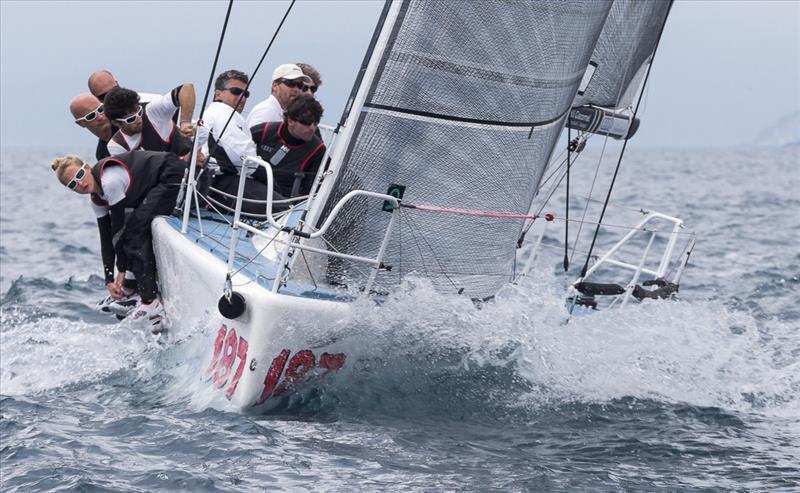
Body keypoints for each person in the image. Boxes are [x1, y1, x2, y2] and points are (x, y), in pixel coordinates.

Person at [51, 151, 189, 332]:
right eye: (73, 184)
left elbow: (119, 230)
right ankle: (131, 292)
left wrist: (121, 271)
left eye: (79, 175)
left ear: (86, 167)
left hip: (170, 173)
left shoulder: (110, 181)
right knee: (129, 235)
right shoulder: (96, 201)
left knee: (133, 232)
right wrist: (109, 279)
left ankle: (149, 301)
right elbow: (106, 239)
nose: (80, 183)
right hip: (154, 185)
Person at [201, 70, 270, 214]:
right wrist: (270, 179)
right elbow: (244, 160)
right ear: (218, 94)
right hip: (223, 183)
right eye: (236, 92)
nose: (242, 98)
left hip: (213, 184)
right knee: (285, 210)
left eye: (246, 94)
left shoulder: (212, 113)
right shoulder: (223, 114)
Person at [250, 94, 326, 199]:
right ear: (290, 121)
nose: (312, 128)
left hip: (284, 204)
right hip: (252, 186)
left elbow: (310, 193)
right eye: (307, 122)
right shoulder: (263, 131)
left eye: (316, 122)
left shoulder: (318, 150)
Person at [103, 86, 195, 157]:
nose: (139, 119)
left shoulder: (152, 111)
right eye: (131, 119)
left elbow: (186, 88)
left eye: (139, 112)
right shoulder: (117, 146)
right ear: (116, 123)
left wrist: (185, 122)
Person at [245, 64, 312, 128]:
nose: (296, 89)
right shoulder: (266, 111)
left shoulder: (279, 112)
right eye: (291, 83)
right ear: (275, 85)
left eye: (300, 85)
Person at [70, 93, 117, 160]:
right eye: (91, 116)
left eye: (100, 109)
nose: (100, 117)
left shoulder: (127, 130)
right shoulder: (101, 153)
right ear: (81, 123)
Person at [88, 69, 159, 104]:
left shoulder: (154, 102)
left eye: (114, 91)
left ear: (117, 83)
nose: (112, 98)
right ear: (95, 98)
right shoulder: (100, 122)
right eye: (104, 96)